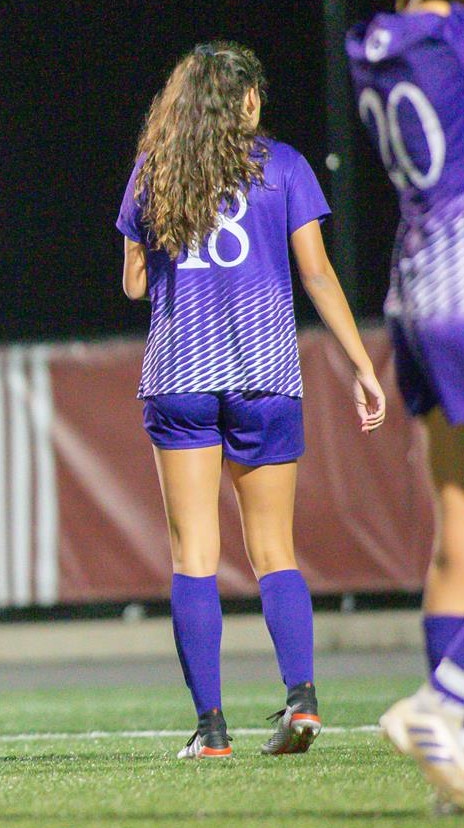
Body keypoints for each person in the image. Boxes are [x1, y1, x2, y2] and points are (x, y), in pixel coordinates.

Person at [115, 44, 386, 760]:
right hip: (265, 375)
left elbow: (135, 286)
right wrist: (361, 365)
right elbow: (319, 276)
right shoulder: (286, 166)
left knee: (194, 555)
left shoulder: (156, 171)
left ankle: (211, 730)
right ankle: (301, 698)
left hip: (181, 376)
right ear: (251, 103)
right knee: (273, 551)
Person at [348, 0, 464, 806]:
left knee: (455, 533)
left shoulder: (380, 46)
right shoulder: (449, 42)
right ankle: (445, 699)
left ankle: (448, 760)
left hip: (414, 287)